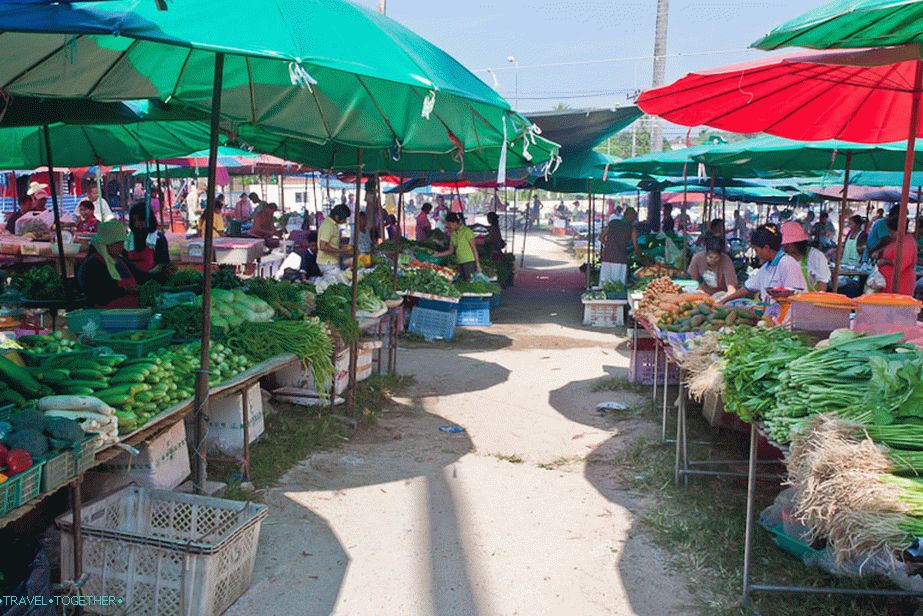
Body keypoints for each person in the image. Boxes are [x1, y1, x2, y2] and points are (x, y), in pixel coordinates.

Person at [720, 224, 807, 316]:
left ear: (766, 248)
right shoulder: (766, 267)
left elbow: (795, 296)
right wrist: (724, 300)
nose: (756, 254)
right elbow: (747, 288)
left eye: (756, 250)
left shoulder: (788, 264)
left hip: (788, 319)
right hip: (772, 318)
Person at [78, 221, 153, 308]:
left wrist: (163, 273)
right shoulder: (91, 265)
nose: (121, 246)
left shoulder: (120, 260)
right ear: (106, 243)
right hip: (107, 315)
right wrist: (125, 290)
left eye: (122, 242)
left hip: (130, 311)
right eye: (118, 243)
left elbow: (141, 276)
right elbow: (98, 294)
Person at [781, 221, 832, 292]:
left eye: (789, 243)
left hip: (811, 300)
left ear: (798, 242)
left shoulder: (815, 256)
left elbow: (822, 282)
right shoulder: (783, 257)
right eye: (784, 243)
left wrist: (818, 301)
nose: (785, 246)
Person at [598, 207, 640, 286]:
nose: (635, 218)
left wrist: (609, 245)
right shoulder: (632, 229)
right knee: (618, 286)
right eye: (634, 216)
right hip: (620, 259)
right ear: (629, 216)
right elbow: (636, 247)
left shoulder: (613, 223)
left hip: (607, 257)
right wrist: (642, 258)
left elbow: (601, 238)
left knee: (605, 284)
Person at [878, 215, 918, 296]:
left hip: (900, 286)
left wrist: (885, 261)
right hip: (889, 284)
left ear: (900, 230)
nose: (890, 234)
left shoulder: (907, 243)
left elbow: (901, 263)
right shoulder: (900, 240)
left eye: (892, 232)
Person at [125, 201, 170, 274]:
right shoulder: (128, 240)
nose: (137, 224)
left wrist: (151, 273)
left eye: (140, 220)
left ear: (149, 219)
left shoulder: (158, 238)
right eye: (134, 220)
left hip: (154, 280)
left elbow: (164, 263)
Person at [436, 213, 479, 281]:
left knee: (470, 282)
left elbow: (474, 249)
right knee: (462, 282)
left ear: (455, 222)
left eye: (449, 224)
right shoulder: (453, 234)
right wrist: (438, 255)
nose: (448, 226)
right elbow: (450, 250)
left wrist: (477, 264)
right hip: (460, 262)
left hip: (469, 262)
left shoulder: (467, 231)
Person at [317, 204, 352, 271]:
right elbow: (323, 246)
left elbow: (332, 242)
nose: (345, 221)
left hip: (332, 260)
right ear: (337, 216)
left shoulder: (333, 224)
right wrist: (341, 251)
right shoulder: (328, 225)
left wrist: (342, 247)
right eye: (344, 218)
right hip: (327, 263)